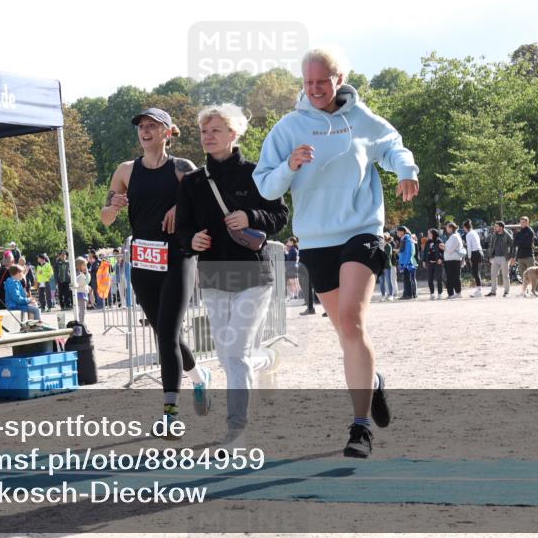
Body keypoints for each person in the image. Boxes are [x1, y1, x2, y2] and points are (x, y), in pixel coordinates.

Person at [253, 48, 418, 458]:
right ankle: (372, 381)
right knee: (345, 334)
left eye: (322, 82)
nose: (314, 90)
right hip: (315, 240)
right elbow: (265, 187)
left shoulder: (361, 120)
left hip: (361, 230)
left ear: (339, 78)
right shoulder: (289, 128)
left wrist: (406, 169)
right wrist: (289, 166)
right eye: (308, 83)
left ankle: (360, 428)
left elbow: (393, 145)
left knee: (351, 319)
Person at [176, 104, 289, 448]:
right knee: (228, 356)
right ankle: (268, 359)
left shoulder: (258, 173)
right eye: (204, 131)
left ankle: (237, 430)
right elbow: (182, 229)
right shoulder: (193, 182)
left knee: (235, 354)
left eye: (216, 130)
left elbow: (280, 215)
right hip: (211, 275)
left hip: (252, 275)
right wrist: (191, 240)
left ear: (234, 133)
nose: (208, 137)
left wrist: (251, 216)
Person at [101, 106, 212, 436]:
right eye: (141, 126)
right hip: (145, 261)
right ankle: (199, 378)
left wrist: (181, 206)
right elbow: (105, 218)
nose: (145, 131)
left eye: (152, 126)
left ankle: (170, 414)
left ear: (167, 131)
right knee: (168, 335)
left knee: (166, 335)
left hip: (179, 258)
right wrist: (113, 207)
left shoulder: (182, 169)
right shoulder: (125, 171)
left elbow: (207, 206)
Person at [486, 221, 515, 297]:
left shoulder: (507, 235)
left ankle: (506, 292)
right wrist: (490, 256)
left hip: (504, 258)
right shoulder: (493, 235)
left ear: (501, 227)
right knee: (493, 275)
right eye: (495, 226)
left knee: (505, 275)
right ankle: (493, 292)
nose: (495, 228)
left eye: (496, 226)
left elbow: (513, 246)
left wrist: (512, 257)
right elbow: (491, 245)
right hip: (495, 257)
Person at [441, 222, 465, 299]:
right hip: (451, 260)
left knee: (452, 277)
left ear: (451, 228)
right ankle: (453, 293)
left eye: (447, 227)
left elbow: (450, 250)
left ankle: (455, 293)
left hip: (453, 260)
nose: (446, 229)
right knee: (452, 277)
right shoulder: (453, 236)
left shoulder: (454, 237)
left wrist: (443, 247)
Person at [463, 220, 484, 298]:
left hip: (474, 253)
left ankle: (479, 290)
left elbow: (469, 247)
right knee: (477, 272)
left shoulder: (468, 234)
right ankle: (479, 289)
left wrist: (469, 257)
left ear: (465, 227)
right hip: (480, 252)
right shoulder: (475, 232)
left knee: (475, 272)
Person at [396, 226, 417, 300]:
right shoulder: (403, 239)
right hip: (404, 262)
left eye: (398, 231)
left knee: (409, 279)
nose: (397, 233)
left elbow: (409, 252)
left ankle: (410, 294)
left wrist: (405, 263)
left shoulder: (407, 239)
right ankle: (406, 294)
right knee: (405, 279)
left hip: (408, 263)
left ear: (402, 232)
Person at [422, 228, 444, 299]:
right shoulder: (428, 242)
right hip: (429, 263)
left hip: (437, 263)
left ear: (433, 234)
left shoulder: (439, 241)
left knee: (439, 279)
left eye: (429, 233)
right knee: (430, 279)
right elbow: (425, 252)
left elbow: (443, 251)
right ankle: (432, 293)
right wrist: (424, 261)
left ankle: (440, 293)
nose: (428, 234)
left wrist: (441, 258)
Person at [514, 217, 536, 282]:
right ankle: (525, 290)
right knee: (522, 275)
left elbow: (528, 244)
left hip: (528, 255)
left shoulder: (530, 232)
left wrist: (520, 242)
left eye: (523, 222)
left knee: (533, 274)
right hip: (520, 256)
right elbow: (515, 243)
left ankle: (535, 289)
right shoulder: (519, 233)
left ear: (527, 223)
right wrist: (522, 241)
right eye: (521, 222)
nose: (522, 224)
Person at [378, 234, 396, 301]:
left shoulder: (388, 246)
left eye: (381, 239)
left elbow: (387, 257)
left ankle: (391, 295)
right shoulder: (379, 246)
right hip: (380, 267)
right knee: (381, 281)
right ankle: (383, 295)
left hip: (387, 266)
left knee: (389, 281)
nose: (380, 240)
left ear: (384, 239)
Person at [73, 257, 90, 325]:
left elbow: (86, 282)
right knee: (82, 310)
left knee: (83, 310)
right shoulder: (79, 275)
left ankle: (81, 322)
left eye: (86, 265)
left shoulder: (83, 274)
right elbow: (82, 283)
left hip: (83, 293)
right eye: (84, 265)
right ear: (79, 266)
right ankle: (81, 323)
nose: (85, 267)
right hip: (80, 294)